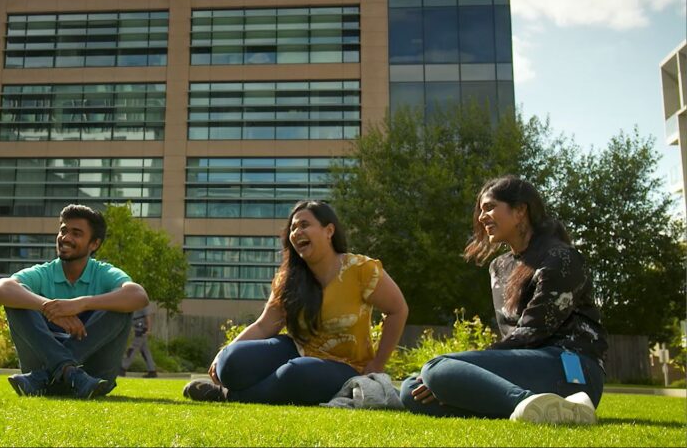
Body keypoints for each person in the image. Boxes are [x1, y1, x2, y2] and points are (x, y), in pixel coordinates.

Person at [399, 175, 608, 424]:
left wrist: (458, 366)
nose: (481, 217)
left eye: (489, 207)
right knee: (411, 390)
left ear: (520, 210)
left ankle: (522, 402)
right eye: (480, 210)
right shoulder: (499, 267)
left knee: (437, 369)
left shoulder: (561, 258)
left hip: (572, 369)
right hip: (525, 365)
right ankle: (536, 407)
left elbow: (533, 330)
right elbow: (514, 338)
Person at [183, 200, 408, 405]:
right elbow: (264, 325)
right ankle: (242, 385)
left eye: (304, 225)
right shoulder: (288, 278)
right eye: (292, 228)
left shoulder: (361, 269)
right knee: (230, 363)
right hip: (297, 349)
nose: (296, 232)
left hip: (346, 364)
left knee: (297, 373)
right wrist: (223, 352)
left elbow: (398, 309)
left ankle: (227, 396)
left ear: (329, 230)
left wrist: (377, 364)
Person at [0, 204, 149, 399]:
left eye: (76, 233)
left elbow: (139, 295)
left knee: (119, 304)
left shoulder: (103, 273)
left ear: (94, 244)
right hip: (44, 379)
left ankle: (51, 373)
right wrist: (48, 307)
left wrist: (82, 304)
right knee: (18, 300)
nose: (66, 238)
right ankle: (70, 373)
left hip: (92, 380)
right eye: (63, 230)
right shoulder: (44, 272)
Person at [120, 305, 157, 378]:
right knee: (145, 352)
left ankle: (123, 368)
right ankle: (152, 371)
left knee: (132, 349)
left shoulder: (143, 304)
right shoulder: (133, 303)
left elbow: (148, 317)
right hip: (137, 328)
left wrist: (149, 330)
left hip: (141, 330)